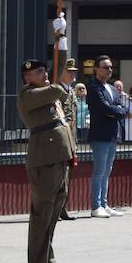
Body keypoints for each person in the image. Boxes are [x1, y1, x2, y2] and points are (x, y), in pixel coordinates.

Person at [16, 60, 73, 263]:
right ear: (27, 78)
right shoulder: (28, 94)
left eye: (44, 70)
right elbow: (58, 89)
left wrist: (62, 38)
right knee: (42, 214)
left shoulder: (46, 92)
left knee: (52, 215)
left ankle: (48, 262)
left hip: (58, 158)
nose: (45, 74)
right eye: (39, 72)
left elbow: (60, 93)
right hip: (44, 160)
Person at [84, 57, 127, 218]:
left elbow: (120, 107)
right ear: (96, 69)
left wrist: (115, 111)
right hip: (100, 134)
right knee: (99, 170)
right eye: (105, 67)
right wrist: (116, 110)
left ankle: (104, 203)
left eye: (110, 67)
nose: (109, 70)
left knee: (107, 170)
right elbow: (103, 107)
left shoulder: (112, 88)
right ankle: (96, 206)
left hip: (113, 133)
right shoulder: (93, 86)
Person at [56, 59, 80, 223]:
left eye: (74, 72)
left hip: (71, 140)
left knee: (67, 177)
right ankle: (55, 209)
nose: (72, 74)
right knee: (58, 178)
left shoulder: (70, 91)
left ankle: (62, 208)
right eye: (69, 71)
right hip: (60, 141)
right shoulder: (56, 91)